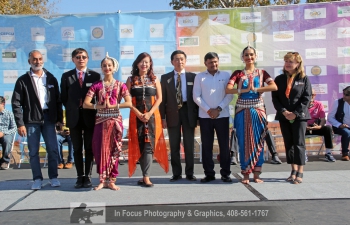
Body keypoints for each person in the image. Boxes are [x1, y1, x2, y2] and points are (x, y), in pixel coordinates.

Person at [226, 45, 277, 184]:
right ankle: (246, 174)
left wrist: (256, 89)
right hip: (242, 110)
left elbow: (274, 87)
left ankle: (257, 174)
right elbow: (228, 90)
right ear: (242, 58)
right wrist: (242, 90)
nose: (249, 57)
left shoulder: (262, 73)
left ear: (256, 56)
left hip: (257, 110)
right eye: (246, 55)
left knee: (259, 141)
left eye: (251, 55)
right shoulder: (238, 73)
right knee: (244, 142)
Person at [12, 50, 63, 189]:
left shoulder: (51, 78)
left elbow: (57, 101)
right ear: (29, 61)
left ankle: (53, 177)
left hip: (49, 118)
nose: (37, 62)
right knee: (33, 151)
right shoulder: (23, 80)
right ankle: (37, 179)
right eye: (34, 59)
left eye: (40, 59)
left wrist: (59, 120)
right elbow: (16, 103)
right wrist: (20, 123)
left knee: (53, 149)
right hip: (31, 120)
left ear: (43, 60)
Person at [83, 53, 131, 190]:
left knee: (114, 150)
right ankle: (102, 180)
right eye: (104, 66)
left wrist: (114, 106)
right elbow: (86, 104)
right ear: (101, 68)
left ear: (114, 67)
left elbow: (129, 103)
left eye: (109, 65)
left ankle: (112, 180)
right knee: (100, 150)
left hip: (115, 121)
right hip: (101, 122)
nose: (107, 68)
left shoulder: (121, 85)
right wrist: (99, 106)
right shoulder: (96, 86)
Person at [126, 52, 169, 187]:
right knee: (140, 145)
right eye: (142, 61)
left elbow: (160, 99)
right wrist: (138, 113)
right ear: (137, 63)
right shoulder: (130, 79)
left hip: (152, 118)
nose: (144, 64)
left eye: (147, 62)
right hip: (135, 117)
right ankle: (143, 175)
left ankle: (146, 176)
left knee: (149, 145)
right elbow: (127, 101)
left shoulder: (155, 79)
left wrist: (150, 113)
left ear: (150, 64)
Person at [61, 48, 101, 189]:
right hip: (74, 119)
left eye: (83, 56)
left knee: (89, 148)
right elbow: (64, 98)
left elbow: (98, 97)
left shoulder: (95, 76)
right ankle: (79, 177)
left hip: (90, 118)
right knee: (77, 149)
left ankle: (88, 177)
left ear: (88, 58)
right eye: (78, 57)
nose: (81, 59)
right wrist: (72, 110)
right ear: (73, 59)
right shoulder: (66, 76)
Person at [272, 52, 312, 184]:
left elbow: (306, 98)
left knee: (299, 143)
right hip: (284, 116)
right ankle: (293, 170)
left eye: (291, 62)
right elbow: (275, 98)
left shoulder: (304, 79)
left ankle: (300, 171)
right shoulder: (279, 79)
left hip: (299, 116)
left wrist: (295, 112)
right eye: (286, 61)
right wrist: (284, 111)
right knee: (289, 143)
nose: (288, 64)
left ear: (298, 64)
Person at [193, 52, 233, 183]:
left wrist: (219, 109)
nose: (213, 64)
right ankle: (209, 173)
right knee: (207, 146)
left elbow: (230, 94)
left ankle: (225, 173)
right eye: (210, 62)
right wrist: (209, 110)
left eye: (215, 61)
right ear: (205, 63)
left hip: (223, 115)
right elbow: (196, 96)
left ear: (218, 61)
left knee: (224, 146)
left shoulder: (226, 75)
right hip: (205, 116)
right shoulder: (200, 77)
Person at [159, 50, 198, 182]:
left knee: (189, 144)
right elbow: (162, 100)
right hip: (172, 114)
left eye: (182, 59)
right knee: (174, 145)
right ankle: (176, 173)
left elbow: (197, 98)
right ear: (172, 62)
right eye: (176, 59)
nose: (179, 61)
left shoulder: (193, 77)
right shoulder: (165, 78)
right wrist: (162, 118)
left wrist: (197, 117)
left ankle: (190, 173)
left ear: (185, 61)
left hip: (188, 112)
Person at [307, 89, 336, 162]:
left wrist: (319, 126)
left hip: (316, 127)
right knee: (298, 129)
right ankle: (303, 154)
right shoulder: (301, 105)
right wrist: (305, 127)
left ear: (315, 95)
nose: (311, 96)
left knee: (328, 128)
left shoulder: (319, 104)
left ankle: (328, 153)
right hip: (305, 127)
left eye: (313, 95)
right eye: (309, 94)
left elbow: (323, 119)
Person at [328, 86, 350, 161]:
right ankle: (345, 154)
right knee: (347, 132)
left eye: (346, 95)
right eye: (343, 94)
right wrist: (339, 125)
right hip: (339, 126)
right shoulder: (337, 102)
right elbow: (330, 117)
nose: (343, 96)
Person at [0, 96, 17, 170]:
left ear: (3, 104)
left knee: (7, 140)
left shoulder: (9, 114)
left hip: (6, 134)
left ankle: (5, 161)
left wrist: (3, 133)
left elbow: (14, 128)